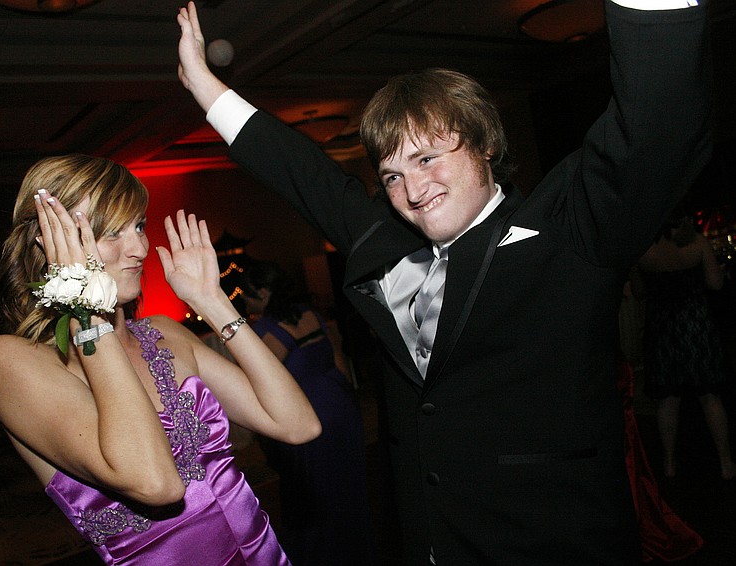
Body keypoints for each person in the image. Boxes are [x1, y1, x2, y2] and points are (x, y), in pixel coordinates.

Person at [177, 0, 712, 563]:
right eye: (392, 175)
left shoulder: (568, 229)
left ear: (484, 143)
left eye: (428, 157)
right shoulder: (387, 243)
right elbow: (304, 174)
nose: (413, 189)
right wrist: (205, 86)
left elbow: (657, 127)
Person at [0, 154, 321, 565]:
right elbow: (156, 483)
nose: (140, 247)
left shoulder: (164, 332)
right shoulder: (11, 362)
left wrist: (211, 301)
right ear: (49, 246)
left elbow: (298, 425)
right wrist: (86, 312)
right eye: (109, 233)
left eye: (138, 225)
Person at [240, 259, 375, 565]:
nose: (245, 302)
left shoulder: (265, 330)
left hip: (307, 417)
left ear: (262, 293)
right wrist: (349, 401)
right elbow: (338, 358)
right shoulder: (310, 313)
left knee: (310, 496)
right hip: (340, 407)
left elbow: (260, 386)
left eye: (247, 295)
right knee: (348, 489)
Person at [634, 213, 735, 481]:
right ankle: (726, 462)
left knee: (668, 400)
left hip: (663, 327)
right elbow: (715, 283)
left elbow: (639, 291)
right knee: (709, 396)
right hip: (696, 326)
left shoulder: (644, 248)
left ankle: (669, 463)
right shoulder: (698, 244)